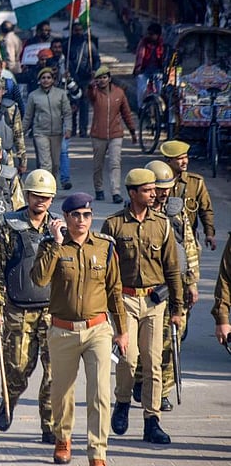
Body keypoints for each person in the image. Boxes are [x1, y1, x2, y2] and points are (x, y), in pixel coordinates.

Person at [31, 192, 128, 465]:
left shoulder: (105, 247)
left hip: (97, 329)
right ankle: (63, 438)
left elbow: (115, 291)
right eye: (76, 215)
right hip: (62, 331)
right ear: (65, 218)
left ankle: (98, 452)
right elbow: (39, 279)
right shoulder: (52, 246)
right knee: (62, 392)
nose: (82, 220)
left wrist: (122, 330)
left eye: (86, 215)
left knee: (100, 392)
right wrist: (56, 244)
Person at [102, 169, 182, 445]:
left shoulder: (162, 224)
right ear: (133, 193)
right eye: (148, 190)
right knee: (128, 358)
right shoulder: (113, 225)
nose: (154, 194)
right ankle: (122, 402)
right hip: (124, 300)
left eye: (154, 189)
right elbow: (106, 270)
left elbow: (172, 268)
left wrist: (177, 309)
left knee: (153, 361)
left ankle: (152, 420)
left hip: (154, 302)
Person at [0, 169, 58, 442]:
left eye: (46, 198)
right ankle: (9, 398)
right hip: (17, 310)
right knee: (17, 368)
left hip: (52, 311)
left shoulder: (59, 229)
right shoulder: (9, 226)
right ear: (26, 195)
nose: (41, 202)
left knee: (54, 372)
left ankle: (49, 425)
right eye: (36, 196)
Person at [136, 160, 199, 411]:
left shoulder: (177, 211)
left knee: (172, 344)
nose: (161, 193)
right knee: (144, 345)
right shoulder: (134, 214)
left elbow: (189, 247)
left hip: (175, 286)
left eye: (166, 187)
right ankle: (141, 381)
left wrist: (192, 282)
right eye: (156, 188)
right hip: (147, 290)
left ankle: (162, 391)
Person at [88, 66, 135, 203]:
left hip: (115, 134)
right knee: (98, 164)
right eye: (99, 78)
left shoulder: (119, 93)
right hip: (98, 134)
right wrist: (91, 87)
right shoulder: (95, 93)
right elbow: (90, 96)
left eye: (104, 77)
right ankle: (99, 189)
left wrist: (132, 131)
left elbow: (126, 113)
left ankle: (116, 192)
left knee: (115, 163)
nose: (102, 80)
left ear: (109, 78)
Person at [159, 140, 216, 250]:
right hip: (162, 238)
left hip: (188, 241)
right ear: (168, 161)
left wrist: (209, 234)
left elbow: (205, 210)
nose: (185, 161)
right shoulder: (158, 182)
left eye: (186, 157)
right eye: (180, 158)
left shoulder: (195, 182)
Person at [23, 67, 71, 186]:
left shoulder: (61, 94)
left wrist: (69, 128)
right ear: (39, 80)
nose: (46, 80)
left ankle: (52, 184)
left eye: (48, 78)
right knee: (46, 163)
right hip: (40, 133)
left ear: (53, 80)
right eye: (43, 78)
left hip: (57, 133)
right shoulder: (33, 96)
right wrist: (21, 132)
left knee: (55, 164)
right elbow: (28, 116)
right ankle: (45, 188)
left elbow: (67, 113)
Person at [133, 22, 165, 109]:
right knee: (141, 88)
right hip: (145, 70)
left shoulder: (163, 44)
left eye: (152, 34)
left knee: (161, 89)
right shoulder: (144, 42)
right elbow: (140, 56)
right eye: (149, 34)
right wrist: (138, 69)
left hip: (158, 71)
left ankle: (160, 109)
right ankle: (141, 108)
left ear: (157, 35)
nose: (149, 36)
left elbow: (165, 59)